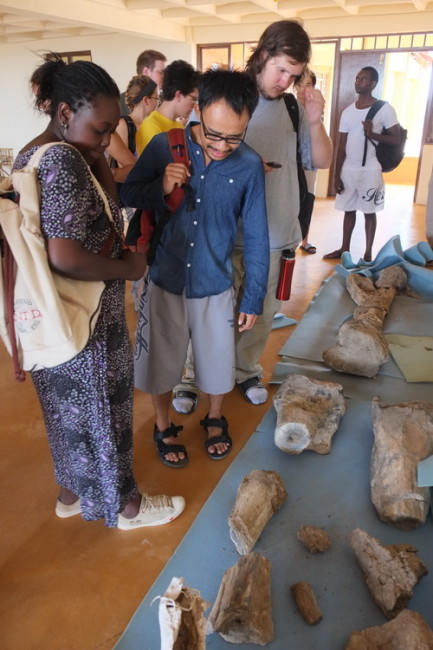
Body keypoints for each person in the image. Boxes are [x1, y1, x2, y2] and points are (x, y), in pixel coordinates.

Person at [15, 54, 185, 529]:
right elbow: (65, 255)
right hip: (87, 315)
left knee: (66, 412)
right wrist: (128, 268)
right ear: (65, 112)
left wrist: (96, 154)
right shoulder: (64, 161)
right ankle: (126, 507)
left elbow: (108, 204)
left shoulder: (35, 152)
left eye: (111, 130)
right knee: (105, 413)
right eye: (100, 129)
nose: (107, 140)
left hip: (52, 314)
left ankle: (71, 493)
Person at [172, 20, 333, 413]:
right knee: (208, 311)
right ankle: (190, 377)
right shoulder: (224, 95)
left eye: (293, 75)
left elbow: (322, 160)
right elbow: (194, 152)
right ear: (263, 55)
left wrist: (315, 120)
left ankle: (244, 370)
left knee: (260, 313)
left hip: (276, 232)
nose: (285, 81)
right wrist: (239, 162)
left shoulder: (293, 108)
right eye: (281, 70)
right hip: (220, 233)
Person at [121, 68, 269, 468]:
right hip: (164, 277)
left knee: (218, 361)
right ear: (198, 110)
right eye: (213, 134)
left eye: (233, 137)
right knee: (160, 362)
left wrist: (253, 296)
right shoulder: (164, 146)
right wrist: (160, 187)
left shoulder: (249, 165)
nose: (221, 146)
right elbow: (128, 193)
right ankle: (163, 425)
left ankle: (215, 417)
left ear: (248, 121)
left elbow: (258, 235)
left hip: (214, 280)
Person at [323, 66, 401, 262]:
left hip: (371, 170)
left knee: (369, 212)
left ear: (373, 84)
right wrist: (336, 175)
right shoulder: (347, 112)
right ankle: (344, 249)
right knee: (348, 211)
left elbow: (396, 139)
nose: (358, 82)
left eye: (363, 79)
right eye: (357, 78)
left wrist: (372, 134)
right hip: (348, 169)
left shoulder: (385, 109)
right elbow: (341, 146)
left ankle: (367, 254)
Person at [135, 60, 201, 155]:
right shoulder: (151, 127)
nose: (194, 105)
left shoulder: (178, 126)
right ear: (178, 95)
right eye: (193, 99)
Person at [294, 68, 318, 254]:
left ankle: (305, 240)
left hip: (309, 163)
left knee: (307, 200)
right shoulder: (288, 106)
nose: (303, 89)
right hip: (291, 162)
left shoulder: (315, 108)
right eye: (300, 85)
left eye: (308, 84)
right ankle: (290, 240)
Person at [120, 49, 166, 114]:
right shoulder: (119, 103)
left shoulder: (166, 101)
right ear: (146, 71)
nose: (164, 76)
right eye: (160, 72)